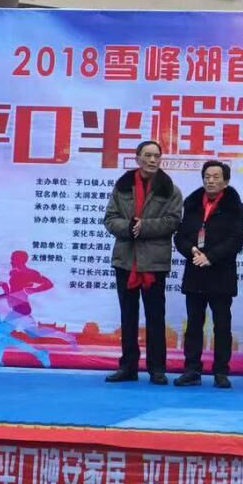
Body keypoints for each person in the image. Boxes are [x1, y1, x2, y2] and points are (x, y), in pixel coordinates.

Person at [102, 140, 183, 385]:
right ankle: (128, 367)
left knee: (155, 317)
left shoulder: (170, 189)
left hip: (154, 262)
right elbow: (110, 219)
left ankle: (157, 369)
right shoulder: (123, 186)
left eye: (156, 156)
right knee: (128, 316)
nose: (152, 160)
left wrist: (144, 227)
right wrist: (129, 227)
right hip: (126, 260)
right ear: (137, 158)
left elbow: (173, 221)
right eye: (147, 155)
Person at [173, 161, 243, 388]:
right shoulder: (192, 203)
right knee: (194, 324)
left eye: (216, 177)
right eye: (207, 176)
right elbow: (180, 235)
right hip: (195, 271)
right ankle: (192, 370)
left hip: (221, 273)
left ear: (226, 181)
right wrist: (192, 250)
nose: (210, 181)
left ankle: (221, 371)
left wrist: (211, 257)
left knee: (222, 326)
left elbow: (236, 239)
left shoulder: (235, 207)